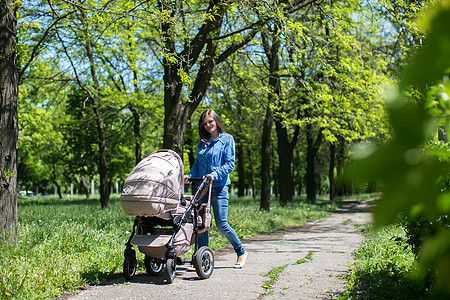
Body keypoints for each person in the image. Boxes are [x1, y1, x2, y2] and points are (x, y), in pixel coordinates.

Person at [184, 109, 248, 268]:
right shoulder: (202, 142)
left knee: (221, 224)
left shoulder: (227, 139)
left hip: (219, 187)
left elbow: (229, 164)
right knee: (201, 224)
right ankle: (202, 258)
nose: (208, 125)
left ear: (216, 121)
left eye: (210, 122)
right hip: (202, 188)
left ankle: (241, 252)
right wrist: (189, 176)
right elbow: (197, 164)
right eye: (205, 123)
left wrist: (215, 174)